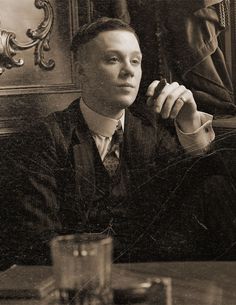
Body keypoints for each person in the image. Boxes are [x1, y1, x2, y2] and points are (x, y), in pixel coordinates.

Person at [1, 17, 235, 269]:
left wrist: (190, 122)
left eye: (135, 61)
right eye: (113, 59)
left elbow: (207, 194)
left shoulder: (150, 131)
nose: (129, 70)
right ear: (80, 71)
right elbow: (39, 241)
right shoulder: (47, 138)